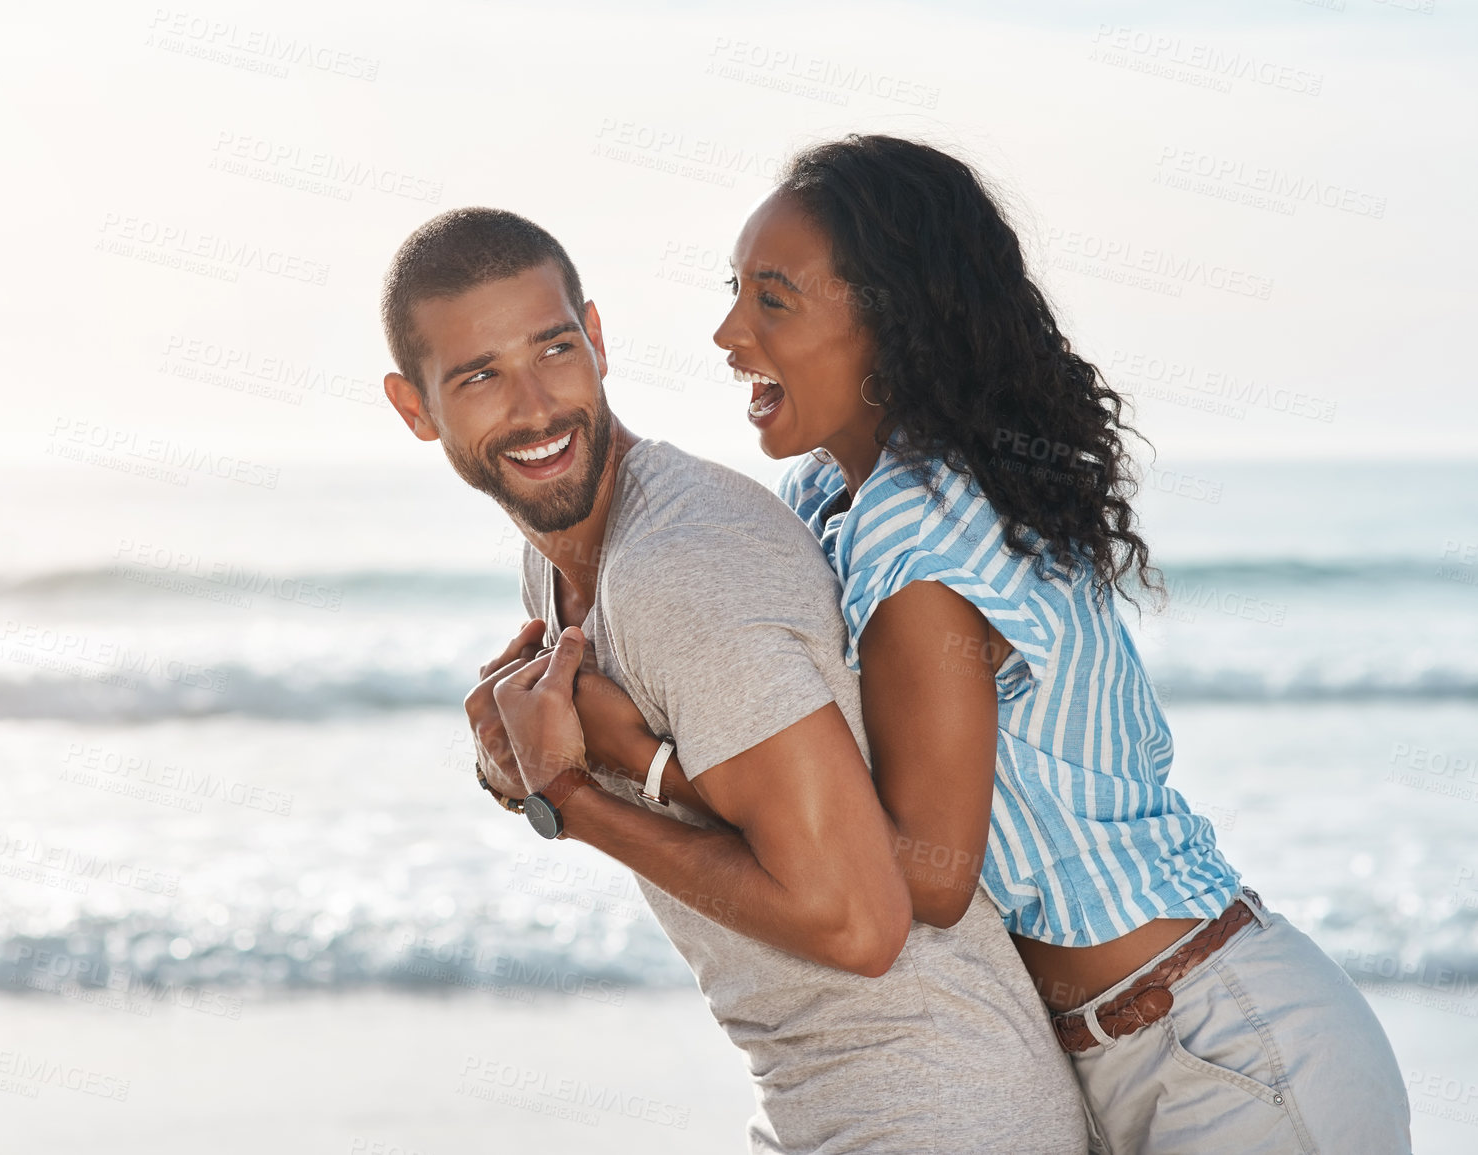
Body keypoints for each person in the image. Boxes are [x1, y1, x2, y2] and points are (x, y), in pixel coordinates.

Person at [574, 135, 1413, 1154]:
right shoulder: (837, 502)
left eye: (773, 301)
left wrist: (642, 770)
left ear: (887, 322)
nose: (728, 332)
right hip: (1144, 1052)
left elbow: (924, 874)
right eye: (735, 292)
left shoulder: (917, 530)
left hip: (1227, 1057)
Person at [379, 207, 1086, 1153]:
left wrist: (569, 798)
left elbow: (857, 923)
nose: (536, 405)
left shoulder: (681, 567)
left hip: (935, 1109)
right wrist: (522, 768)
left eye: (552, 350)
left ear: (594, 337)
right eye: (479, 377)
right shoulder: (561, 557)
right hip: (834, 1104)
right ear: (415, 407)